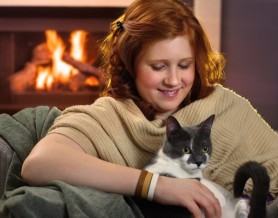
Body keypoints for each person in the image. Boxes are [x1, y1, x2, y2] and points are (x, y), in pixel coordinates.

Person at [21, 0, 278, 218]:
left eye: (185, 65)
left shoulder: (223, 103)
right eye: (158, 67)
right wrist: (156, 185)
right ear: (130, 64)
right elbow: (39, 164)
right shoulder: (108, 117)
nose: (174, 80)